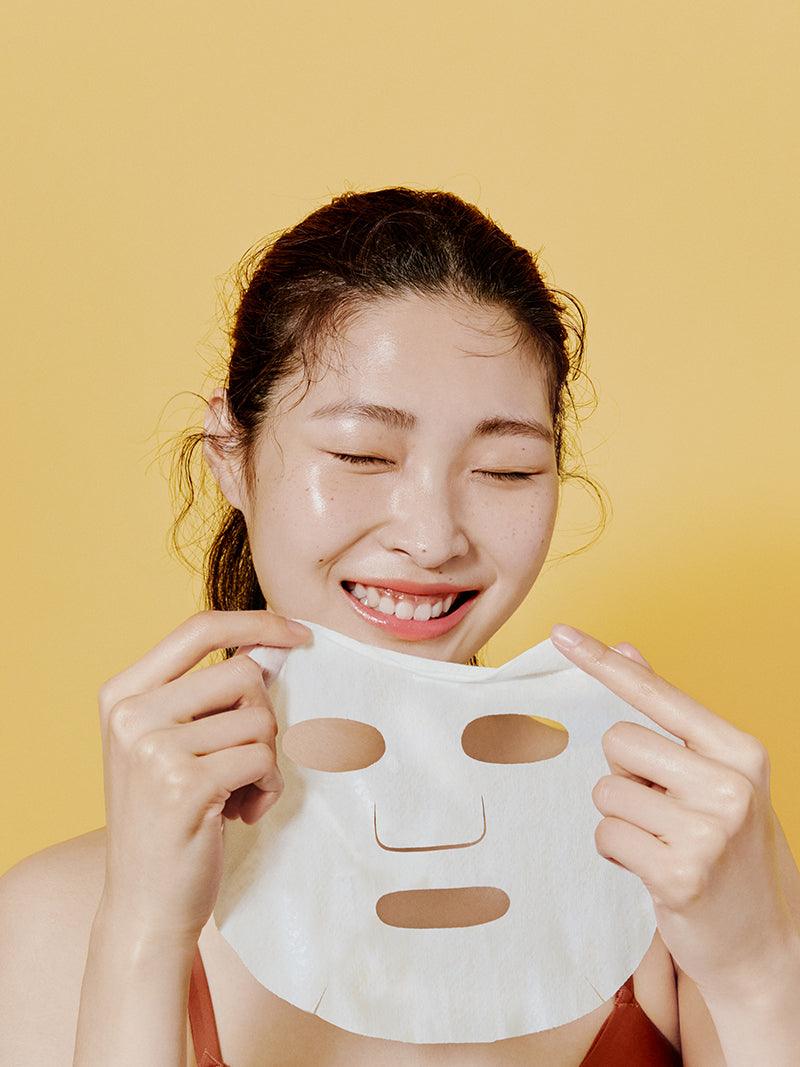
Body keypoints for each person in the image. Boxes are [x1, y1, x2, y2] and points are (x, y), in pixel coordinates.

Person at [5, 186, 739, 1064]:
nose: (431, 538)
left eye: (506, 468)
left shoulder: (678, 882)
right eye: (361, 454)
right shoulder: (54, 917)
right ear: (231, 453)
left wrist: (761, 959)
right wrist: (143, 935)